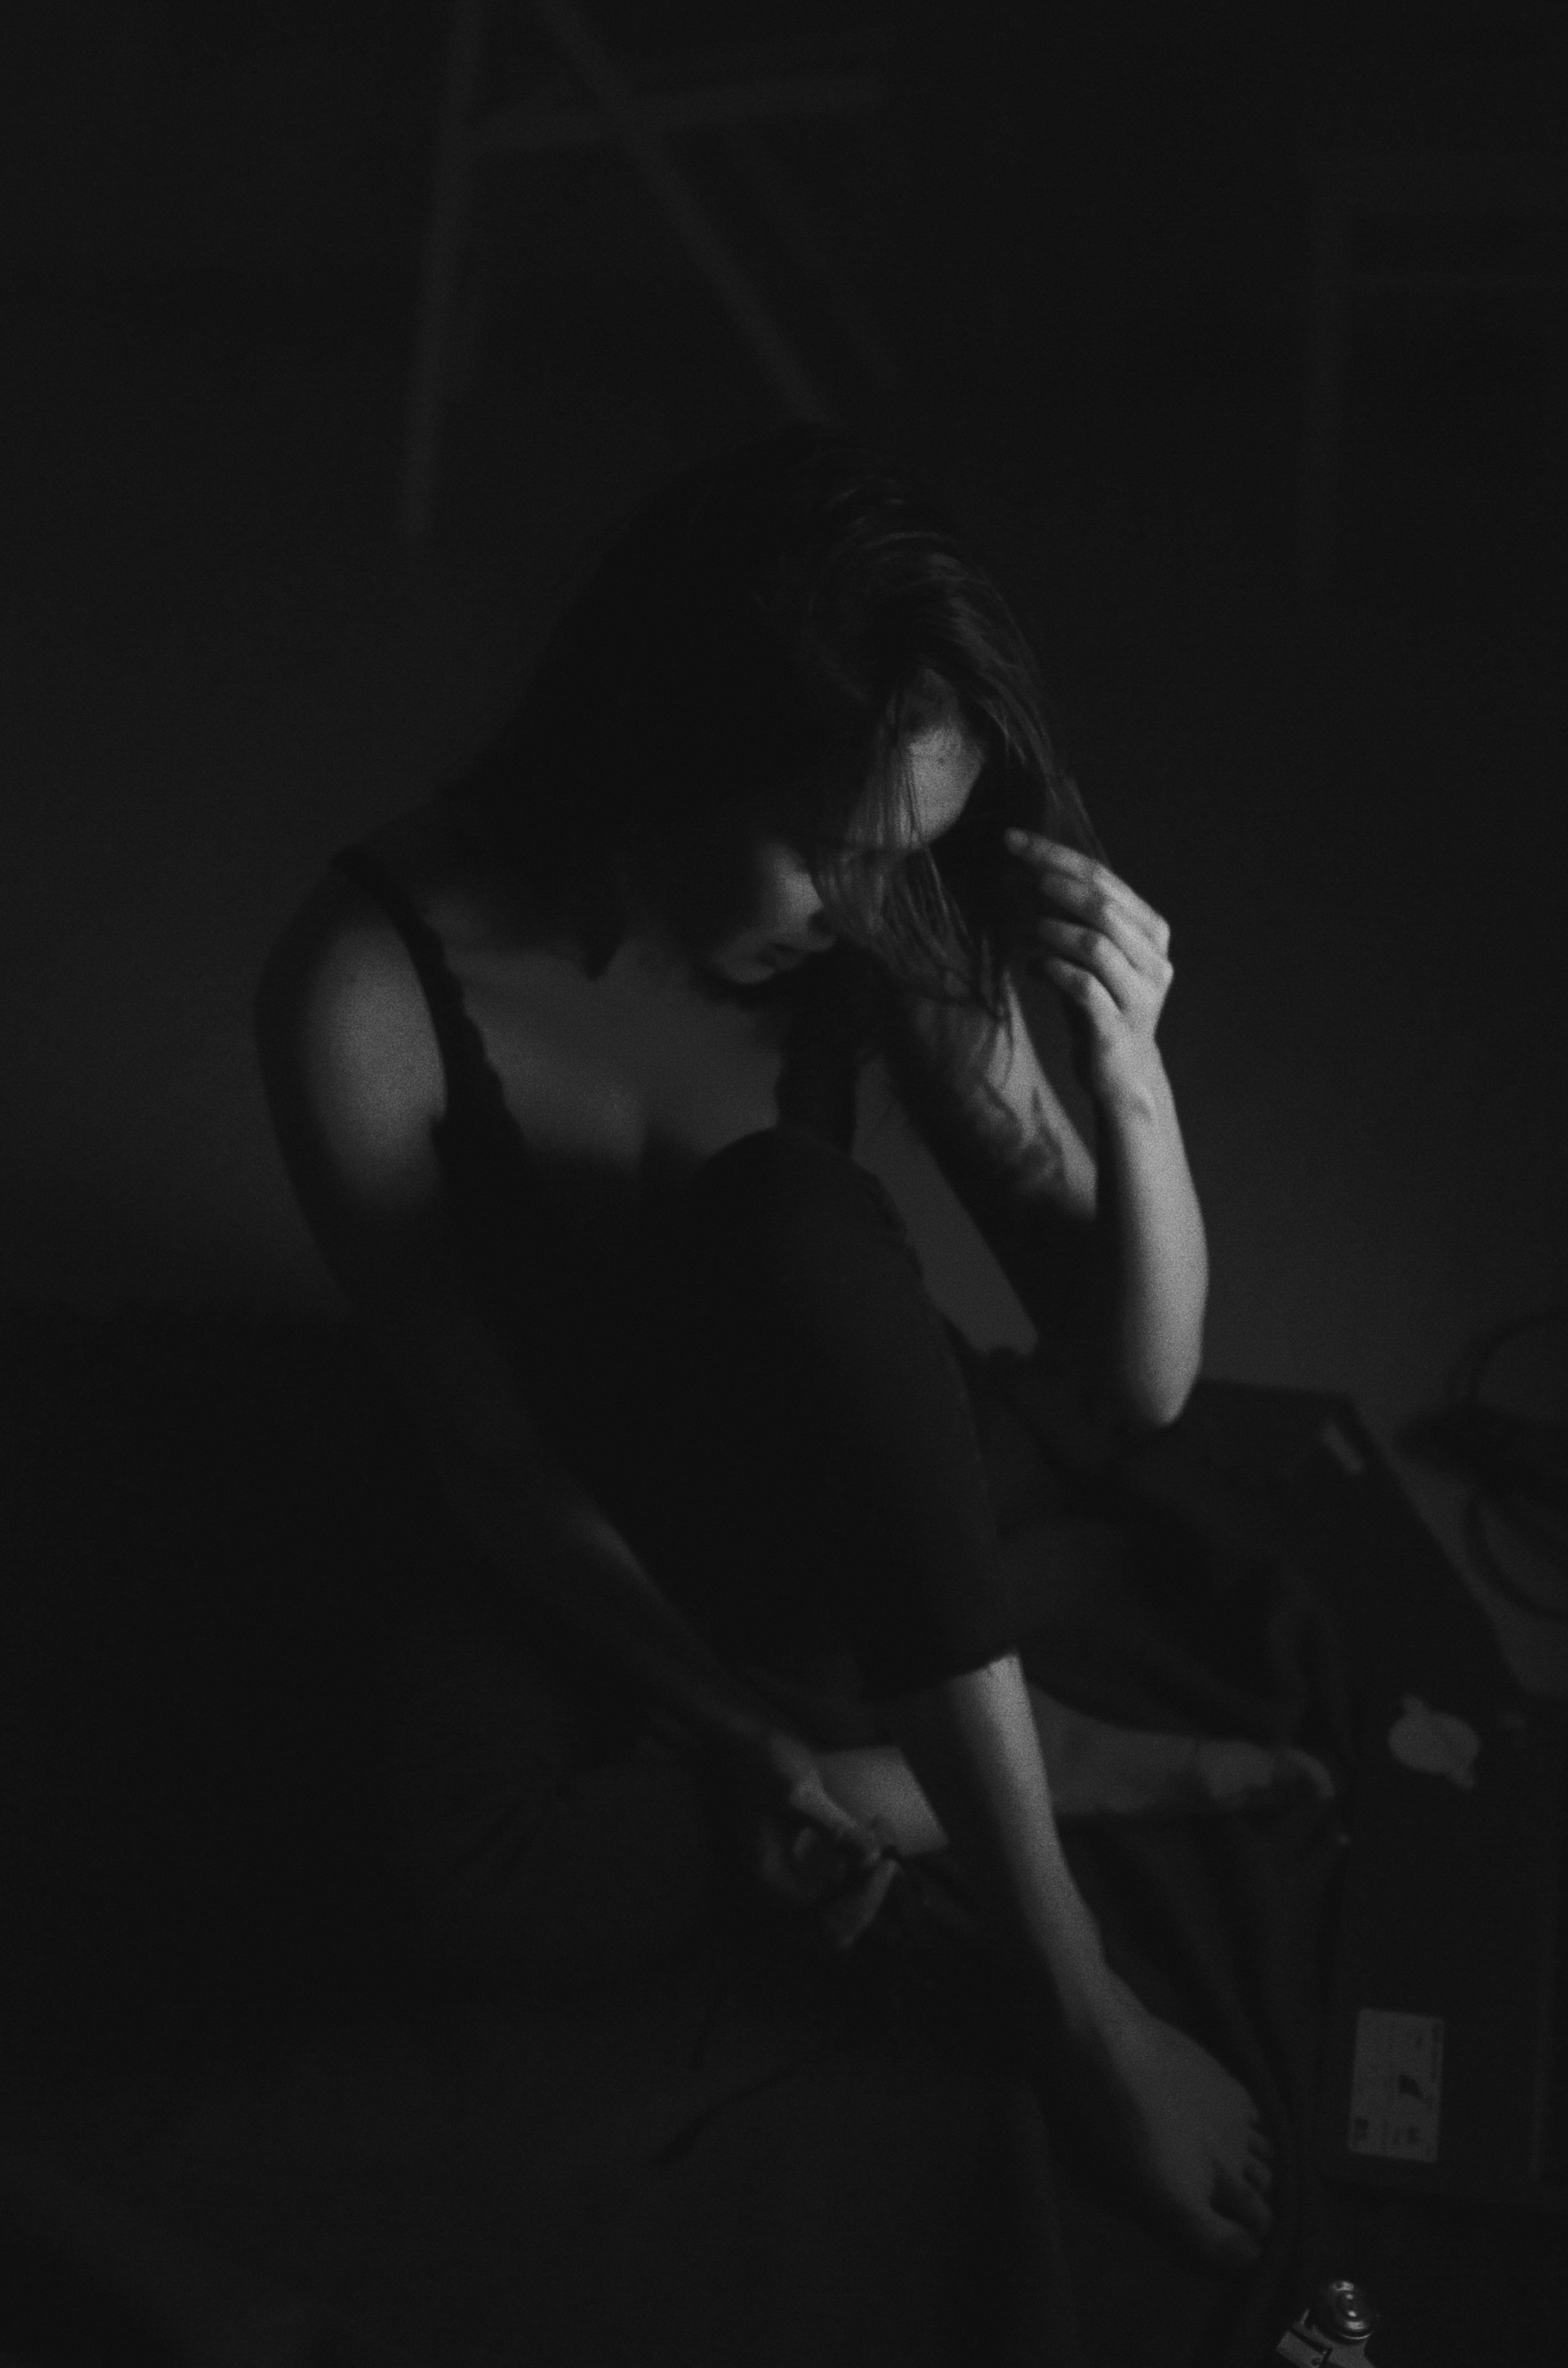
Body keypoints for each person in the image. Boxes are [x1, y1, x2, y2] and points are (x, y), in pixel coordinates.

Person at [254, 425, 1290, 2272]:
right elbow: (490, 1461)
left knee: (793, 1225)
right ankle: (965, 1749)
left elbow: (1131, 1385)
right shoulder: (365, 983)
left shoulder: (881, 932)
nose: (874, 901)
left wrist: (1130, 1085)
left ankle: (1060, 1972)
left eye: (911, 855)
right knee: (428, 1878)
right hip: (592, 1511)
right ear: (671, 757)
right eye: (834, 855)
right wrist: (762, 1750)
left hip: (822, 1447)